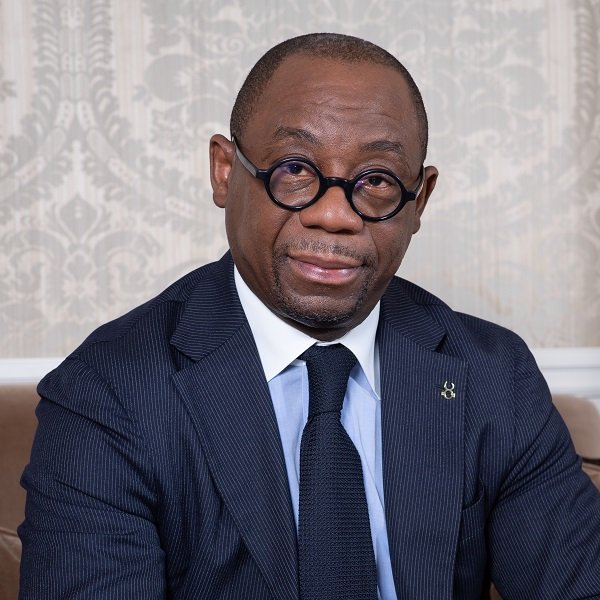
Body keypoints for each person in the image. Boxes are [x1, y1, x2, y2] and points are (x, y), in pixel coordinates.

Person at [19, 33, 600, 599]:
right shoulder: (108, 391)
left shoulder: (491, 374)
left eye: (376, 180)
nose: (334, 215)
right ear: (225, 170)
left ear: (419, 200)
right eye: (294, 169)